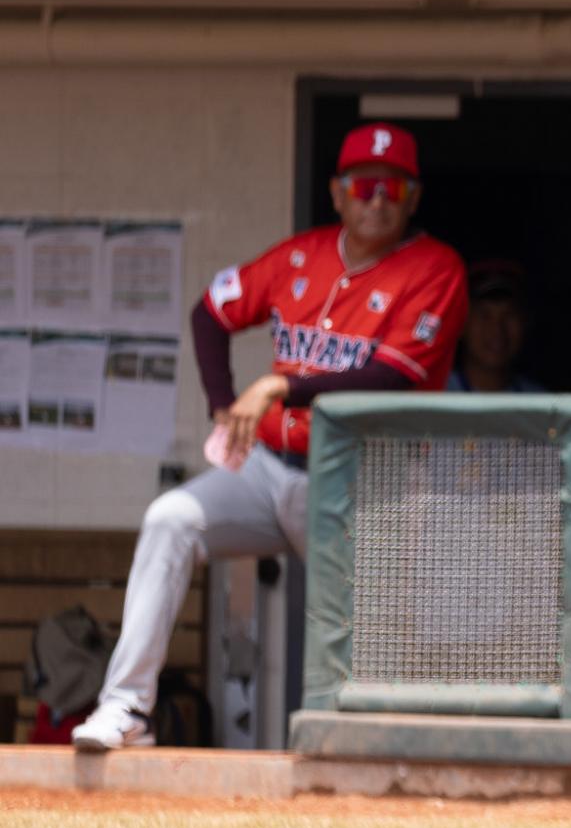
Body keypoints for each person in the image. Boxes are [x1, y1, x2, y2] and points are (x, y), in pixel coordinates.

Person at [70, 123, 467, 751]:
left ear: (413, 197)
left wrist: (278, 387)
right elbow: (210, 311)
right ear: (338, 193)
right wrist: (224, 406)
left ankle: (384, 744)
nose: (377, 198)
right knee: (171, 519)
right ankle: (126, 710)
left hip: (365, 483)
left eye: (393, 187)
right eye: (364, 185)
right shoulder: (298, 257)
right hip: (268, 470)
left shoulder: (435, 268)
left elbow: (392, 374)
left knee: (381, 633)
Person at [448, 259, 547, 394]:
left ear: (525, 322)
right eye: (484, 316)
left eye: (509, 314)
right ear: (460, 323)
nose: (497, 329)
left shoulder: (542, 404)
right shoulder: (429, 399)